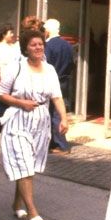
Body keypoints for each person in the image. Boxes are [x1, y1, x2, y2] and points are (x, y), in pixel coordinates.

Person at [0, 28, 69, 220]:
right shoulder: (16, 67)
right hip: (18, 119)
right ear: (25, 48)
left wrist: (63, 118)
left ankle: (16, 203)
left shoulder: (50, 69)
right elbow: (1, 94)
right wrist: (21, 103)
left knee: (29, 166)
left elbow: (57, 96)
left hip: (40, 122)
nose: (38, 48)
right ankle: (32, 212)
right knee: (24, 163)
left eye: (40, 44)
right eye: (33, 45)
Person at [44, 18, 74, 154]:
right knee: (58, 111)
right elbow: (71, 63)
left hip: (52, 80)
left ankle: (62, 145)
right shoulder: (68, 45)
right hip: (64, 80)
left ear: (48, 30)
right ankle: (54, 142)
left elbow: (46, 65)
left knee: (53, 113)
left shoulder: (48, 46)